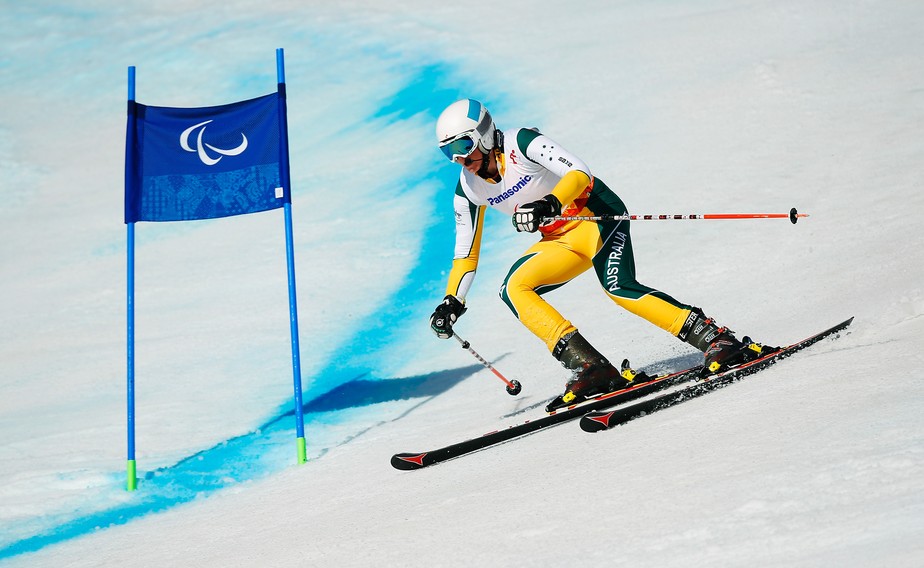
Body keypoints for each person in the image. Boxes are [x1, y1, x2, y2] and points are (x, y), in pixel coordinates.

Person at [428, 99, 777, 409]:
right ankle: (590, 367)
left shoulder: (521, 143)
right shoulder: (468, 190)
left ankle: (715, 338)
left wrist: (550, 202)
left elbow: (579, 173)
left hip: (598, 217)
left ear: (486, 134)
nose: (461, 159)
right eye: (450, 154)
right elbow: (465, 254)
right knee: (513, 288)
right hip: (562, 239)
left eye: (464, 145)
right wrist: (451, 301)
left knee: (618, 287)